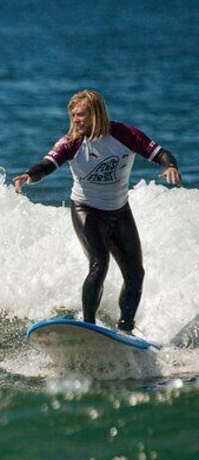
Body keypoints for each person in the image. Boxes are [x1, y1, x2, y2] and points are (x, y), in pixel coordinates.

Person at [14, 90, 183, 334]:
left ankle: (125, 328)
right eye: (73, 115)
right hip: (87, 210)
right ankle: (89, 327)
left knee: (135, 273)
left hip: (119, 211)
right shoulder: (71, 142)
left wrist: (170, 166)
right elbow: (47, 164)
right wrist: (30, 175)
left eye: (80, 114)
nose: (76, 120)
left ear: (96, 113)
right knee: (99, 264)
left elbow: (161, 154)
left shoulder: (126, 135)